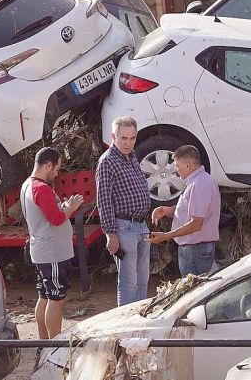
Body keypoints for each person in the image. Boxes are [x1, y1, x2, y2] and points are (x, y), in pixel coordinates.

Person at [20, 147, 84, 339]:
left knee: (45, 296)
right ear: (48, 165)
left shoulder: (28, 185)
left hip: (42, 251)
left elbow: (49, 214)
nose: (57, 173)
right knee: (56, 299)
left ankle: (43, 341)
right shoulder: (42, 188)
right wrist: (71, 208)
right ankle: (55, 343)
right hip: (52, 253)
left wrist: (63, 207)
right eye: (56, 168)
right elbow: (56, 219)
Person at [95, 116, 152, 306]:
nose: (128, 143)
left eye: (132, 138)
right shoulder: (107, 162)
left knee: (143, 280)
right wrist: (110, 233)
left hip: (141, 225)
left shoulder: (132, 157)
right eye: (124, 138)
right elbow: (103, 199)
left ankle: (140, 321)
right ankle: (126, 327)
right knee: (129, 283)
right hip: (124, 227)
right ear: (113, 136)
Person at [147, 145, 221, 277]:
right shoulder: (198, 182)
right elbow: (192, 211)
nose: (176, 170)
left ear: (188, 165)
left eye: (177, 165)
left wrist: (167, 235)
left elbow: (196, 223)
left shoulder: (199, 184)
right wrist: (168, 211)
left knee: (195, 294)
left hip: (195, 251)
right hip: (195, 250)